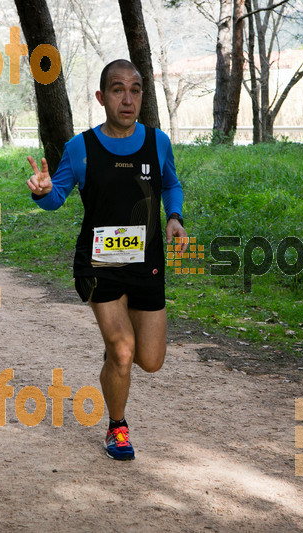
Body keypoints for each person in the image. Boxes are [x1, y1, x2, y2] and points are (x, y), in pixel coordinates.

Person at [25, 59, 187, 460]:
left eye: (135, 90)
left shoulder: (157, 141)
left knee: (150, 361)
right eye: (118, 89)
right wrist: (44, 191)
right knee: (123, 352)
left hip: (147, 264)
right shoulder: (80, 148)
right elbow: (57, 197)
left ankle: (116, 351)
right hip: (99, 266)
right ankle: (117, 427)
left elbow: (171, 182)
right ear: (101, 97)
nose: (127, 98)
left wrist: (174, 216)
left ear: (142, 97)